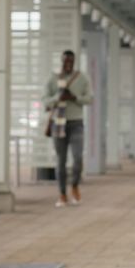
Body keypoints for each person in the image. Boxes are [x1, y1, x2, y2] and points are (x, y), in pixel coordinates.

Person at [42, 50, 93, 207]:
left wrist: (74, 97)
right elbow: (45, 100)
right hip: (58, 123)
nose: (68, 64)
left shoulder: (82, 78)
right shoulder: (53, 79)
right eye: (66, 61)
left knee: (77, 158)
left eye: (71, 61)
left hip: (76, 123)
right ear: (62, 61)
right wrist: (58, 97)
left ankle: (75, 185)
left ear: (74, 61)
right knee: (61, 161)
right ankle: (62, 194)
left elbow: (90, 98)